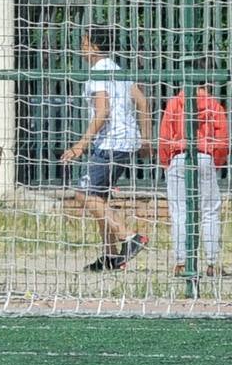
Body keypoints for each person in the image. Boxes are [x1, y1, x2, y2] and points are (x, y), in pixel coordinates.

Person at [60, 27, 152, 271]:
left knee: (84, 194)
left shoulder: (99, 72)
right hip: (126, 142)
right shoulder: (118, 70)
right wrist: (146, 139)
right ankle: (110, 256)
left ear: (93, 45)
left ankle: (130, 236)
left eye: (84, 41)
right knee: (98, 198)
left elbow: (103, 111)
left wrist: (80, 145)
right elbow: (143, 101)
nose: (81, 47)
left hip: (110, 143)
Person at [159, 65, 228, 276]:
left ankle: (181, 262)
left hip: (178, 157)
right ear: (208, 82)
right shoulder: (215, 106)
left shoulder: (174, 103)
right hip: (205, 155)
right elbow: (223, 140)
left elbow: (164, 136)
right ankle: (212, 263)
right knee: (209, 212)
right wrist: (214, 162)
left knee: (179, 212)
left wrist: (166, 162)